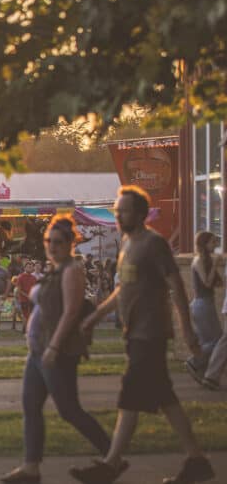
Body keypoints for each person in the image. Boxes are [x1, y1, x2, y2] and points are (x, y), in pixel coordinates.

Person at [71, 186, 213, 484]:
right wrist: (95, 317)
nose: (117, 214)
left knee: (130, 396)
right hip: (134, 332)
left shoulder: (153, 243)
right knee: (164, 398)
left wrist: (185, 329)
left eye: (122, 210)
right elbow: (124, 289)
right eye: (116, 210)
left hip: (151, 333)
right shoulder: (127, 244)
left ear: (139, 213)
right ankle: (196, 460)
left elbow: (175, 283)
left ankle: (112, 463)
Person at [0, 215, 111, 483]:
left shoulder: (72, 269)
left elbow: (72, 311)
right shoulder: (53, 269)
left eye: (58, 241)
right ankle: (30, 468)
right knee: (31, 405)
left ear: (71, 243)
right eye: (48, 240)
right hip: (37, 352)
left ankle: (113, 455)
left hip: (55, 353)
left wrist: (54, 346)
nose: (52, 245)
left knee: (69, 410)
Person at [184, 232, 222, 383]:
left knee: (209, 341)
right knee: (217, 341)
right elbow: (206, 282)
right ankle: (193, 362)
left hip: (206, 303)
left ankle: (201, 369)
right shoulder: (198, 260)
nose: (215, 245)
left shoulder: (206, 261)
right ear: (204, 244)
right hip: (202, 304)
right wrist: (216, 265)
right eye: (212, 242)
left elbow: (216, 284)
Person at [14, 260, 39, 334]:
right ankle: (26, 330)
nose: (30, 268)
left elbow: (35, 288)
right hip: (24, 299)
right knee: (26, 315)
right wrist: (26, 296)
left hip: (32, 300)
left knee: (31, 315)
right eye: (28, 267)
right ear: (24, 268)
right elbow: (19, 290)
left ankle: (27, 329)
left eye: (31, 267)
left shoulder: (34, 277)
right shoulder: (21, 277)